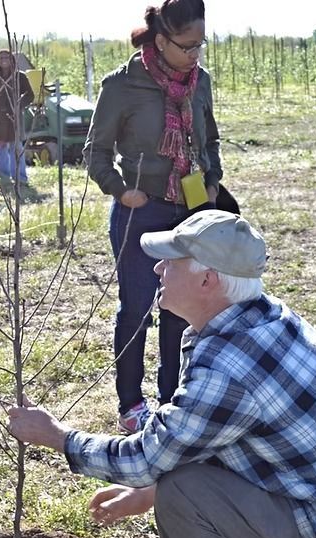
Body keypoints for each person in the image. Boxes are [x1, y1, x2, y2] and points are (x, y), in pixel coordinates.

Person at [9, 210, 316, 538]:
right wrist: (147, 493)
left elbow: (145, 458)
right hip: (302, 502)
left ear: (207, 280)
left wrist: (58, 436)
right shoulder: (267, 317)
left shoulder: (228, 367)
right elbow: (212, 434)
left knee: (183, 493)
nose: (158, 269)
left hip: (313, 537)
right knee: (176, 482)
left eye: (172, 262)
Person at [83, 0, 222, 434]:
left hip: (189, 212)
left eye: (201, 44)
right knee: (137, 308)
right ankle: (130, 403)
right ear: (161, 42)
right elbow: (96, 152)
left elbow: (211, 139)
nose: (194, 55)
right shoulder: (122, 86)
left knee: (179, 309)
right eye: (187, 46)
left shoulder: (201, 83)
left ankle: (170, 400)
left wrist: (212, 179)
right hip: (140, 215)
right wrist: (122, 192)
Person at [0, 49, 35, 184]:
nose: (4, 60)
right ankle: (4, 178)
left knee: (16, 148)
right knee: (0, 148)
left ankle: (20, 178)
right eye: (1, 58)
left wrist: (19, 105)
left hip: (14, 117)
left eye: (7, 57)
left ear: (12, 59)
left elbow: (30, 95)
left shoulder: (20, 77)